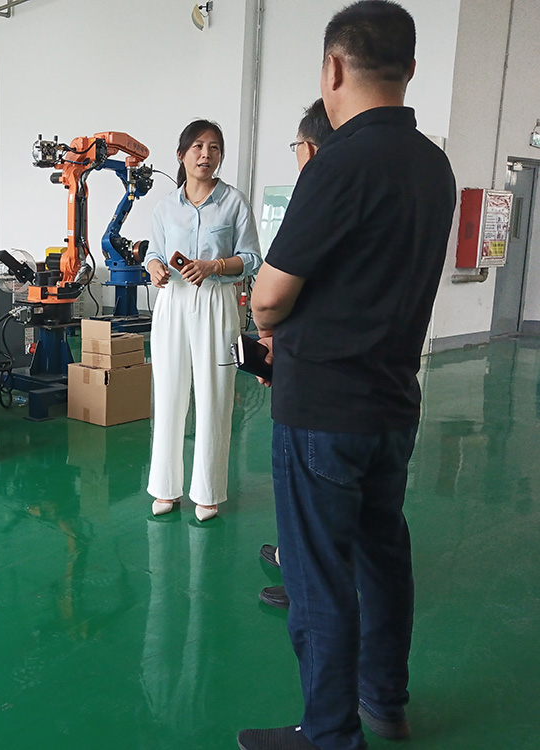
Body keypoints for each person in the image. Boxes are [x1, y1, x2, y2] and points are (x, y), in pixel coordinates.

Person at [237, 3, 456, 750]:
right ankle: (383, 701)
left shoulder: (337, 164)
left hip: (323, 410)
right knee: (382, 556)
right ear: (410, 69)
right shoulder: (433, 165)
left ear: (333, 68)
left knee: (318, 575)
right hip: (393, 404)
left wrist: (268, 325)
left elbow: (269, 294)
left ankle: (328, 734)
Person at [143, 119, 262, 522]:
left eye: (213, 148)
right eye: (197, 146)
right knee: (168, 392)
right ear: (181, 155)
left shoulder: (234, 203)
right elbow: (153, 252)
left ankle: (208, 492)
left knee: (214, 393)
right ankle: (165, 488)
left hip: (216, 300)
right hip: (172, 301)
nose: (205, 155)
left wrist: (214, 266)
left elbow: (252, 258)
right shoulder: (165, 207)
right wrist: (154, 267)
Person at [258, 98, 334, 611]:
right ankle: (296, 556)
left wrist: (268, 333)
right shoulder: (424, 170)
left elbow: (269, 296)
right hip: (387, 384)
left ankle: (304, 579)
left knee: (307, 487)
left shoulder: (322, 191)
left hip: (315, 378)